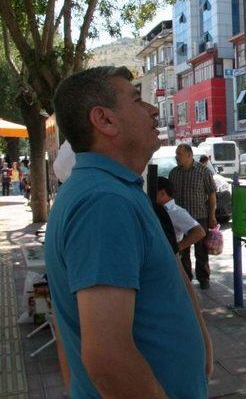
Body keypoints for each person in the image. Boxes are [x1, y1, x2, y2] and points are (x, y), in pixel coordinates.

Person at [45, 66, 213, 398]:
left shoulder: (114, 190)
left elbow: (69, 328)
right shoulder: (103, 202)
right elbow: (108, 359)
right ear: (104, 120)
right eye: (137, 100)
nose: (152, 109)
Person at [169, 144, 217, 289]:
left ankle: (204, 278)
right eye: (176, 154)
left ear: (189, 155)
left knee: (201, 250)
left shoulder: (203, 172)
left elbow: (212, 194)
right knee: (183, 249)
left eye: (179, 154)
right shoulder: (174, 173)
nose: (177, 157)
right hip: (179, 219)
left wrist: (212, 216)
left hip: (199, 216)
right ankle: (186, 278)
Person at [156, 176, 206, 253]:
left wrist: (175, 249)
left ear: (163, 193)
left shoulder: (176, 212)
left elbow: (199, 232)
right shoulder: (157, 208)